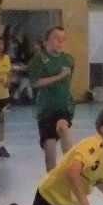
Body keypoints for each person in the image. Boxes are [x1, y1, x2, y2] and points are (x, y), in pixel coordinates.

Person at [28, 25, 75, 171]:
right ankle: (52, 179)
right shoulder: (38, 60)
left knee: (62, 126)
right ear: (46, 40)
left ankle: (72, 166)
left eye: (63, 39)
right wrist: (59, 76)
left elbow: (68, 81)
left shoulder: (69, 59)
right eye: (56, 38)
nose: (60, 42)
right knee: (50, 149)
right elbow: (35, 82)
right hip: (46, 109)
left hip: (64, 105)